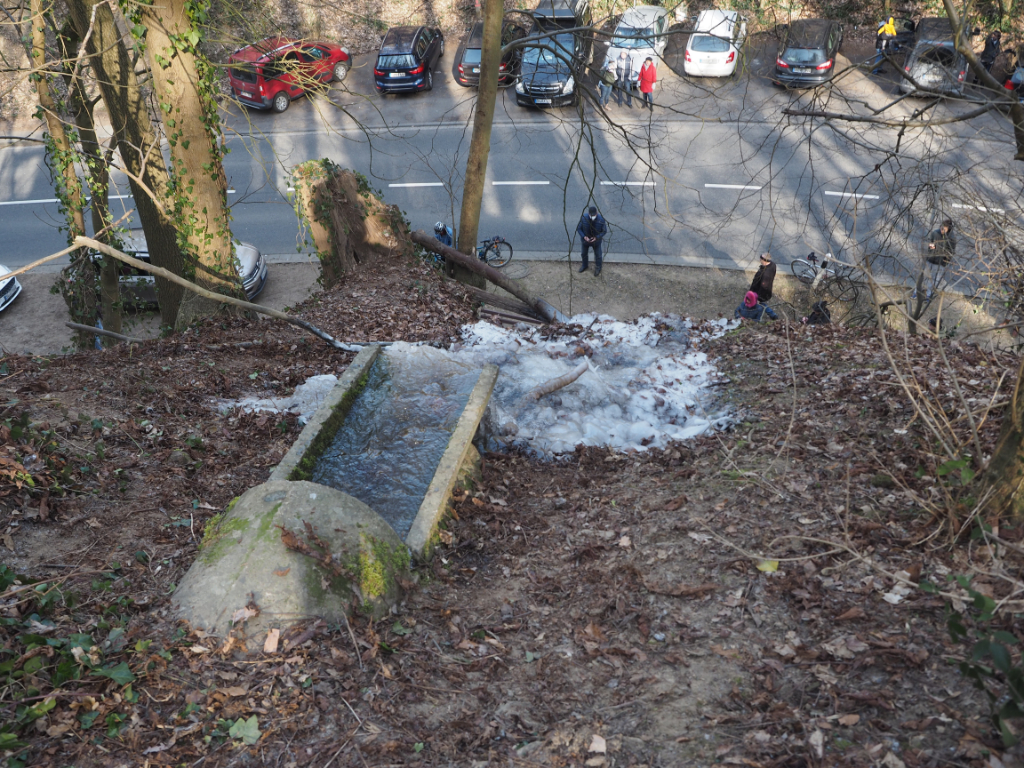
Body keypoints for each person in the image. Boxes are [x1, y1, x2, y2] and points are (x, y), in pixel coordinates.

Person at [576, 206, 607, 276]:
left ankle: (598, 268)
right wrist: (584, 237)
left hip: (596, 242)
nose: (592, 217)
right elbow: (579, 229)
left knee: (598, 255)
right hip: (585, 241)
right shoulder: (584, 217)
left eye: (594, 215)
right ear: (588, 214)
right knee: (584, 254)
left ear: (597, 213)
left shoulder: (601, 220)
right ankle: (584, 265)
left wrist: (596, 237)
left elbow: (604, 231)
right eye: (591, 215)